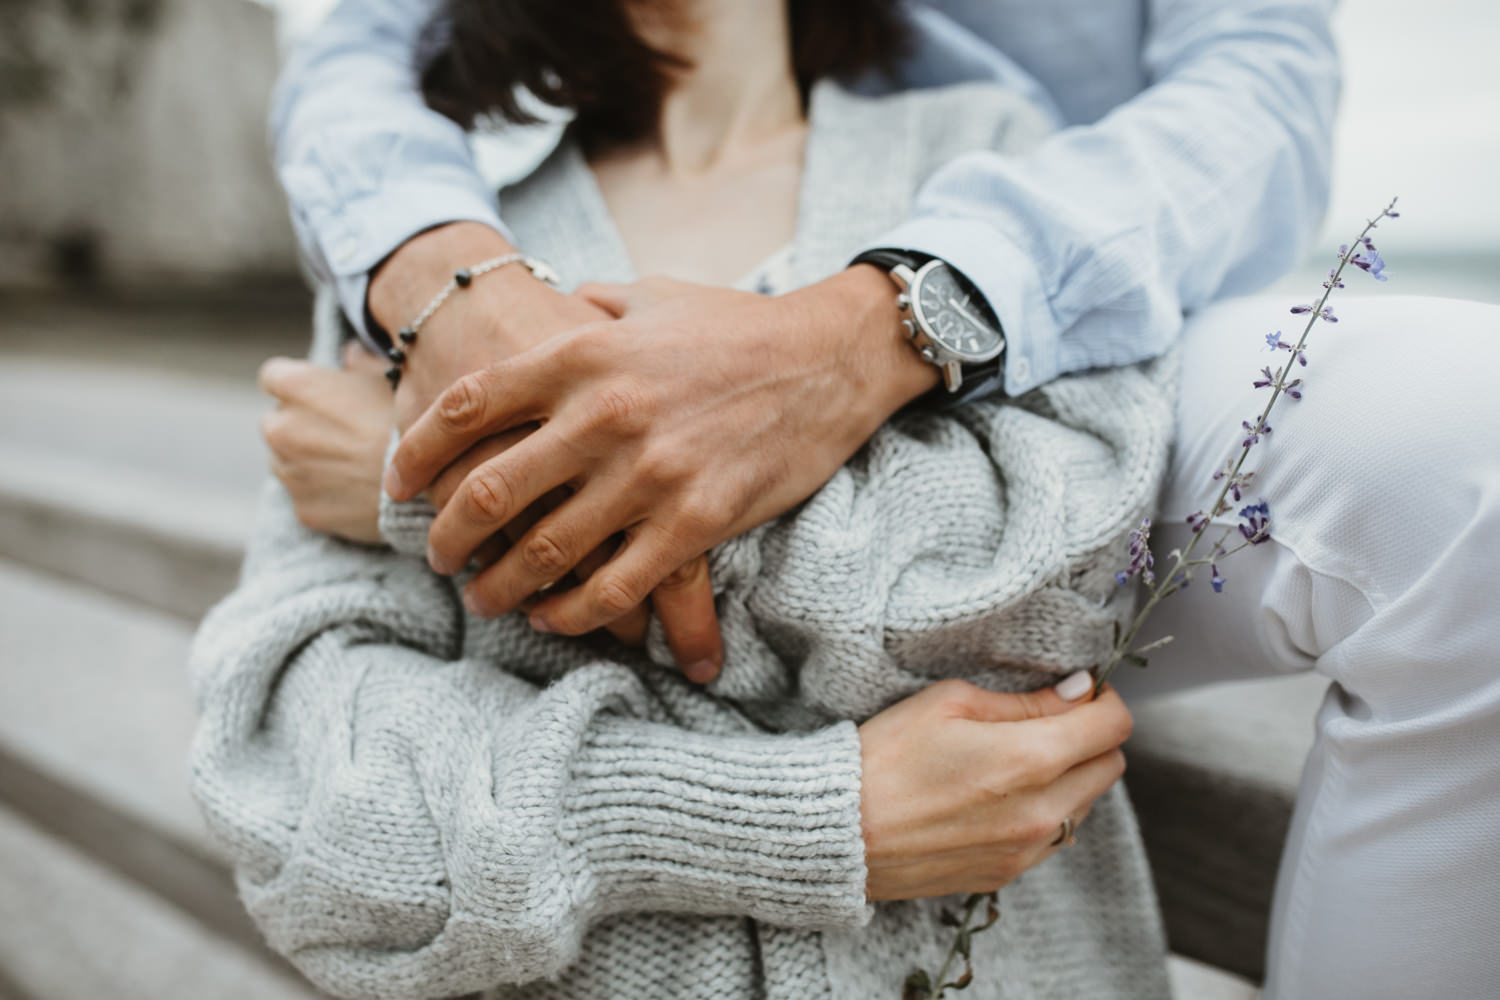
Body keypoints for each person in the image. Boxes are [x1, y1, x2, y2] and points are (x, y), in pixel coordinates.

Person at [250, 1, 1500, 998]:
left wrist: (447, 491)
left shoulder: (1000, 171)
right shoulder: (439, 269)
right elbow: (298, 798)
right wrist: (804, 818)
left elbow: (1033, 591)